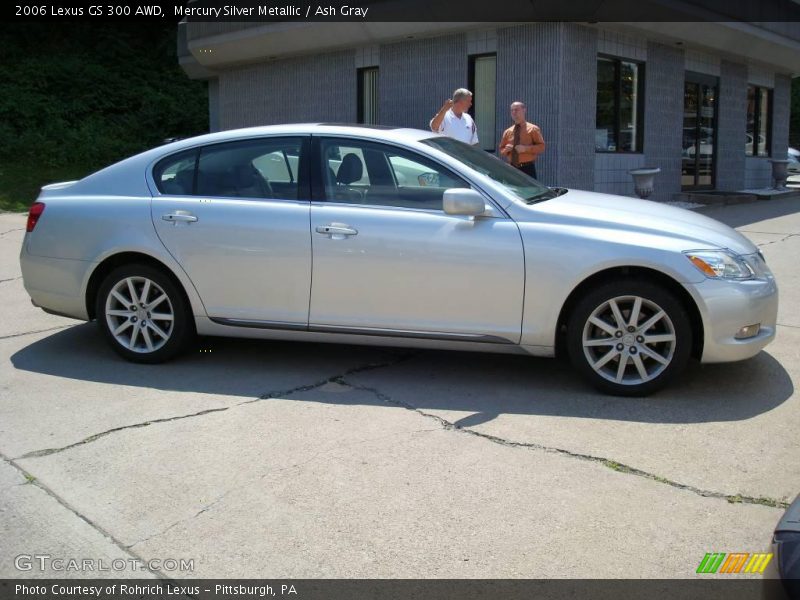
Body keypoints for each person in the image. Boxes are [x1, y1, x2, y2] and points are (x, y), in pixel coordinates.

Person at [499, 101, 545, 179]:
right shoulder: (508, 131)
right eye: (512, 110)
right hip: (512, 168)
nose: (514, 112)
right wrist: (506, 150)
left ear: (524, 110)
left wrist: (525, 149)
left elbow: (541, 147)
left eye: (516, 110)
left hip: (527, 168)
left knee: (529, 187)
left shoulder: (533, 129)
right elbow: (501, 150)